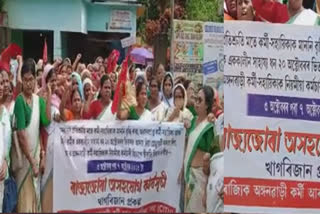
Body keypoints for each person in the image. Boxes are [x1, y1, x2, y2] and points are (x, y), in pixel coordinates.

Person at [12, 58, 51, 212]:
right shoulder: (20, 101)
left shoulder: (38, 100)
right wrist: (32, 161)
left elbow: (46, 121)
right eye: (26, 80)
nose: (29, 83)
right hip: (25, 161)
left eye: (31, 79)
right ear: (22, 80)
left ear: (36, 80)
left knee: (35, 201)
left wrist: (48, 97)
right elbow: (21, 133)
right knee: (25, 202)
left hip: (35, 158)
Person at [184, 86, 220, 212]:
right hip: (189, 178)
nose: (196, 103)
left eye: (200, 100)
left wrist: (206, 190)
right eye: (196, 99)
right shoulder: (193, 121)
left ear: (207, 105)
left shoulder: (209, 127)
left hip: (200, 180)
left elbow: (212, 158)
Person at [38, 64, 60, 213]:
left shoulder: (57, 97)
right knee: (44, 182)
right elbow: (45, 120)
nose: (53, 83)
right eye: (50, 80)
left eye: (55, 80)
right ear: (45, 80)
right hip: (45, 145)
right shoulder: (40, 96)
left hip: (57, 146)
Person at [0, 72, 11, 212]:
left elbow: (7, 143)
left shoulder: (5, 113)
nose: (1, 87)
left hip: (1, 174)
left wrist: (5, 162)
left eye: (2, 83)